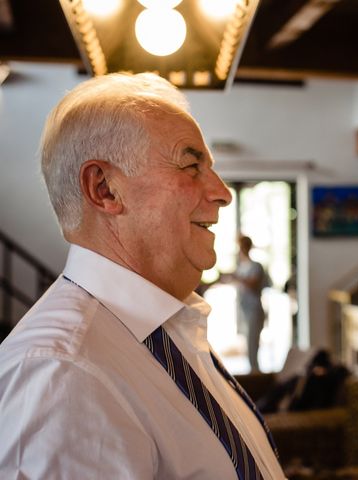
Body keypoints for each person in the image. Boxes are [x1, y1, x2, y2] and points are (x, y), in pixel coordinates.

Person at [0, 72, 285, 479]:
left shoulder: (167, 329)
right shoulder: (63, 374)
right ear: (105, 190)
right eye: (191, 165)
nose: (222, 192)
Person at [234, 235, 268, 372]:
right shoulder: (241, 266)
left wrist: (238, 278)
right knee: (248, 342)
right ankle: (253, 370)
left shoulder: (256, 266)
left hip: (254, 309)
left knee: (253, 342)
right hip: (244, 308)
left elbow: (253, 283)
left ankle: (255, 372)